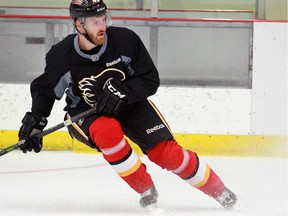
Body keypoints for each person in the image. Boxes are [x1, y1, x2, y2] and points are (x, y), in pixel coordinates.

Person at [18, 0, 237, 209]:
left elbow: (150, 79)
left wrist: (126, 92)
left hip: (131, 104)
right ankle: (146, 190)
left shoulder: (125, 41)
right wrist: (36, 120)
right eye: (95, 22)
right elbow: (46, 90)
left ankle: (221, 192)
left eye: (104, 19)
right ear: (78, 24)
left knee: (166, 154)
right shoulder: (61, 55)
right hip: (86, 112)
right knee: (107, 131)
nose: (102, 26)